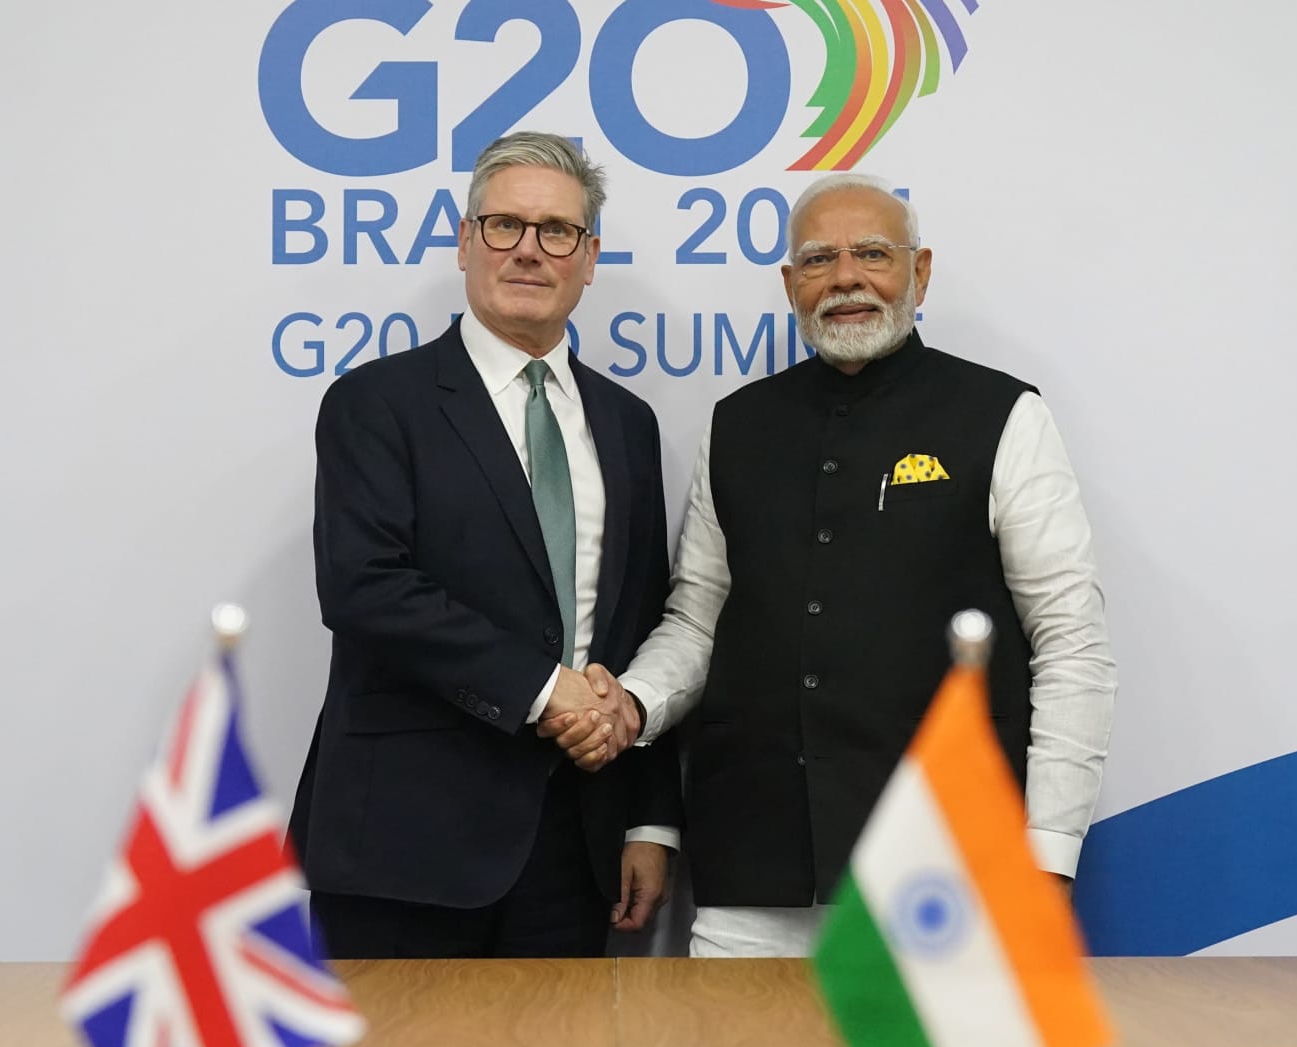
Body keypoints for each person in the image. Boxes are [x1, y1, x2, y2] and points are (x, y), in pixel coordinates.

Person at [615, 174, 1116, 957]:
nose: (846, 278)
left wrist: (1048, 851)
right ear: (792, 284)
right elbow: (697, 623)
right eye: (820, 260)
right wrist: (629, 704)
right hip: (753, 875)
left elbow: (1071, 642)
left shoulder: (1002, 415)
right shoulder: (737, 425)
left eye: (873, 254)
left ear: (920, 272)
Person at [289, 132, 679, 959]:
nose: (529, 250)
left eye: (557, 231)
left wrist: (647, 820)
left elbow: (642, 624)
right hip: (403, 845)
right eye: (505, 225)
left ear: (590, 257)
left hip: (575, 845)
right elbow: (364, 586)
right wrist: (546, 689)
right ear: (467, 241)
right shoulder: (375, 403)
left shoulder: (627, 423)